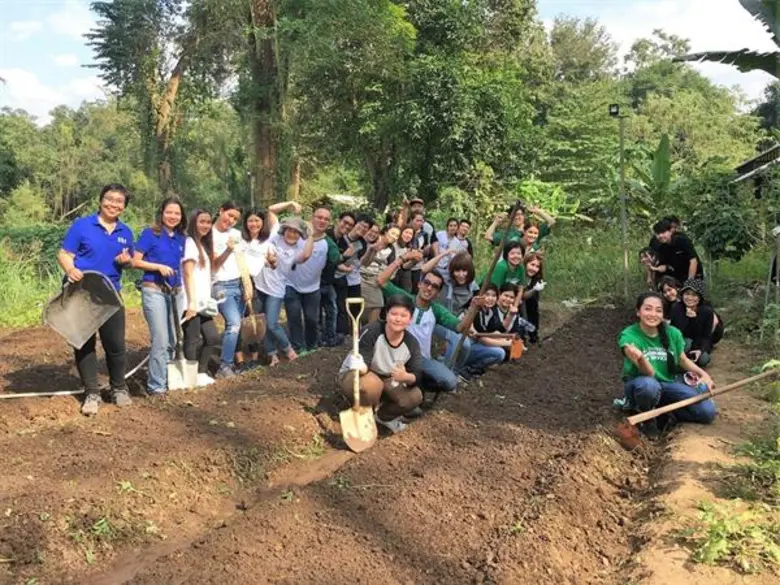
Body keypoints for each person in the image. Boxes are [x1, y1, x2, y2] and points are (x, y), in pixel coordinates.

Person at [57, 184, 135, 416]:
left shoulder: (126, 232)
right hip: (81, 293)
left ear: (124, 207)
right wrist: (70, 269)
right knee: (84, 343)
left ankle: (118, 388)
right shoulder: (82, 226)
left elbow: (129, 260)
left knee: (116, 344)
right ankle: (92, 392)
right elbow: (64, 254)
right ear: (101, 201)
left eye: (119, 201)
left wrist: (125, 261)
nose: (113, 204)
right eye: (109, 199)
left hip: (111, 295)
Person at [618, 291, 717, 438]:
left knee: (707, 412)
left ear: (663, 314)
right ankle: (647, 418)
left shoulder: (672, 333)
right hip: (641, 385)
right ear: (638, 312)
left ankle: (666, 413)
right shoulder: (629, 335)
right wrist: (641, 358)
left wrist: (704, 375)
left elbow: (683, 360)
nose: (653, 314)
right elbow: (649, 374)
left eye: (658, 310)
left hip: (667, 384)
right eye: (648, 309)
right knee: (649, 386)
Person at [377, 252, 469, 393]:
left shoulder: (436, 310)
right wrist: (401, 259)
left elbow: (460, 327)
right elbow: (381, 281)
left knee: (450, 381)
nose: (429, 288)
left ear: (438, 293)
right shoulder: (406, 300)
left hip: (421, 359)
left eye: (435, 286)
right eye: (426, 283)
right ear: (419, 284)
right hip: (396, 354)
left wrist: (473, 307)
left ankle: (420, 383)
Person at [338, 294, 424, 434]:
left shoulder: (412, 343)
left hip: (386, 378)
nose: (398, 319)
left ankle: (382, 417)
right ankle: (364, 415)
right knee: (371, 385)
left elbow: (417, 373)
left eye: (403, 315)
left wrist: (406, 377)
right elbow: (364, 361)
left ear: (410, 319)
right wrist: (360, 366)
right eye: (394, 314)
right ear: (386, 314)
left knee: (414, 396)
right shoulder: (372, 331)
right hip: (358, 375)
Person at [133, 197, 187, 396]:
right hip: (154, 290)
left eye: (177, 213)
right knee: (161, 339)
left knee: (173, 338)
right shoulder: (150, 234)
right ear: (162, 213)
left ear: (181, 216)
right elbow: (135, 261)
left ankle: (168, 379)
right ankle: (156, 386)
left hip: (176, 292)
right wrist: (157, 267)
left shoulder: (182, 238)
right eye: (169, 212)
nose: (173, 216)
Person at [236, 201, 302, 367]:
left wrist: (291, 203)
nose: (254, 224)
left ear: (263, 222)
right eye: (250, 221)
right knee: (261, 324)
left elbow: (271, 210)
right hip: (255, 287)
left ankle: (288, 350)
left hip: (275, 288)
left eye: (257, 220)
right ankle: (272, 355)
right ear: (245, 223)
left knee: (272, 323)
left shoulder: (271, 237)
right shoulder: (241, 240)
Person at [211, 202, 253, 378]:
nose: (231, 220)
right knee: (234, 323)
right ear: (221, 210)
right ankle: (224, 366)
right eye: (229, 215)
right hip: (220, 285)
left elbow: (241, 260)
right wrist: (228, 249)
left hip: (238, 284)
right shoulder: (209, 234)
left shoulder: (236, 234)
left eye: (235, 218)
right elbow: (214, 265)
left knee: (236, 325)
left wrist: (247, 284)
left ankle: (232, 362)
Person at [181, 208, 221, 387]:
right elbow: (187, 273)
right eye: (201, 222)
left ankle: (201, 372)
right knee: (192, 339)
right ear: (193, 223)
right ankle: (189, 378)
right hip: (191, 301)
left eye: (208, 222)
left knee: (212, 338)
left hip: (203, 302)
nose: (205, 225)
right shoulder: (190, 243)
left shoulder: (203, 245)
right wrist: (191, 302)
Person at [283, 213, 321, 354]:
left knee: (311, 319)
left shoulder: (326, 241)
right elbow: (304, 255)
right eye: (318, 217)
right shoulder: (292, 238)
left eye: (325, 219)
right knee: (294, 318)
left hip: (313, 287)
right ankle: (298, 347)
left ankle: (312, 345)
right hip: (291, 285)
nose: (320, 221)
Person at [670, 279, 724, 368]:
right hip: (682, 341)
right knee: (687, 344)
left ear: (699, 297)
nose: (690, 298)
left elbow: (706, 336)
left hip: (698, 342)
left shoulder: (707, 312)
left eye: (694, 295)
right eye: (687, 294)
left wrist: (700, 350)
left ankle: (690, 360)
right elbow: (678, 332)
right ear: (682, 295)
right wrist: (690, 319)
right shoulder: (676, 308)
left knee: (704, 359)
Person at [360, 224, 401, 323]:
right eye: (393, 233)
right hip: (361, 275)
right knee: (364, 308)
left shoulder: (391, 249)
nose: (394, 237)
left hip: (375, 279)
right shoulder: (372, 239)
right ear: (386, 231)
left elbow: (390, 267)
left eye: (397, 236)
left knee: (378, 304)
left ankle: (370, 329)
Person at [327, 212, 356, 336]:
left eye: (350, 225)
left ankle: (341, 332)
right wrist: (344, 258)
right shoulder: (326, 235)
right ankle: (328, 334)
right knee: (330, 306)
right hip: (322, 277)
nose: (347, 226)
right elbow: (332, 259)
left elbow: (339, 262)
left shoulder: (345, 242)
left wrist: (346, 267)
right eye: (345, 222)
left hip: (335, 275)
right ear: (338, 221)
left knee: (340, 304)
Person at [483, 205, 555, 247]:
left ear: (524, 216)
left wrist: (538, 211)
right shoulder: (507, 233)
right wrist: (496, 221)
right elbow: (487, 236)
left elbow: (551, 222)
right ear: (509, 218)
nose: (517, 217)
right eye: (514, 215)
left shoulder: (533, 231)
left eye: (519, 214)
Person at [522, 253, 546, 344]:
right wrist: (534, 289)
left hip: (531, 309)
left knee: (533, 304)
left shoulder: (535, 279)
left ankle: (533, 335)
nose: (534, 269)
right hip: (518, 307)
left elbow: (534, 306)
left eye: (537, 266)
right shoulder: (520, 277)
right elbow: (523, 296)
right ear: (525, 263)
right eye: (532, 265)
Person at [392, 226, 417, 292]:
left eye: (410, 234)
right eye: (406, 232)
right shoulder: (393, 244)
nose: (408, 235)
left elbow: (404, 267)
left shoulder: (409, 248)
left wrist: (414, 260)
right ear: (401, 233)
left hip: (400, 273)